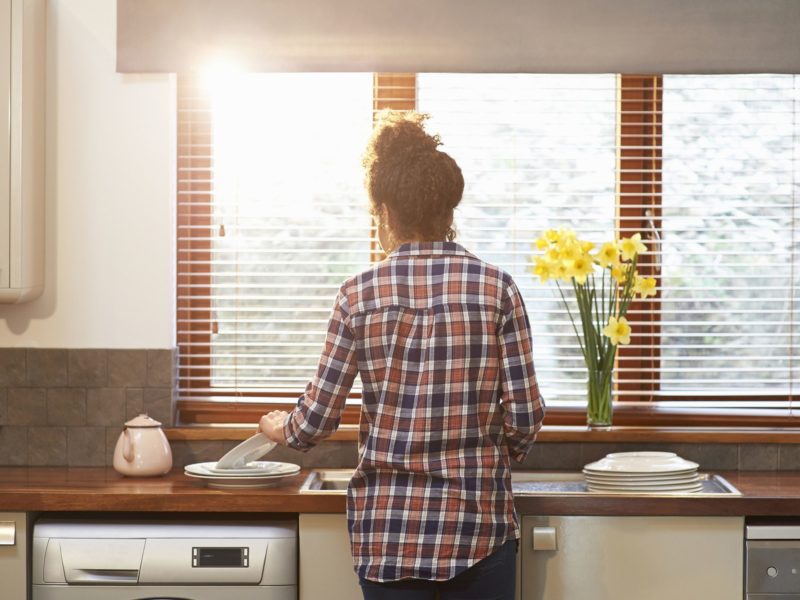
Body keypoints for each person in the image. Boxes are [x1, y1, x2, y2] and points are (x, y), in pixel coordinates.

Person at [260, 110, 545, 600]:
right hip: (478, 527)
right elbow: (525, 414)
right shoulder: (498, 290)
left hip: (388, 534)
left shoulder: (358, 296)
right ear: (449, 212)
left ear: (386, 213)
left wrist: (279, 428)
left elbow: (316, 422)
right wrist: (494, 455)